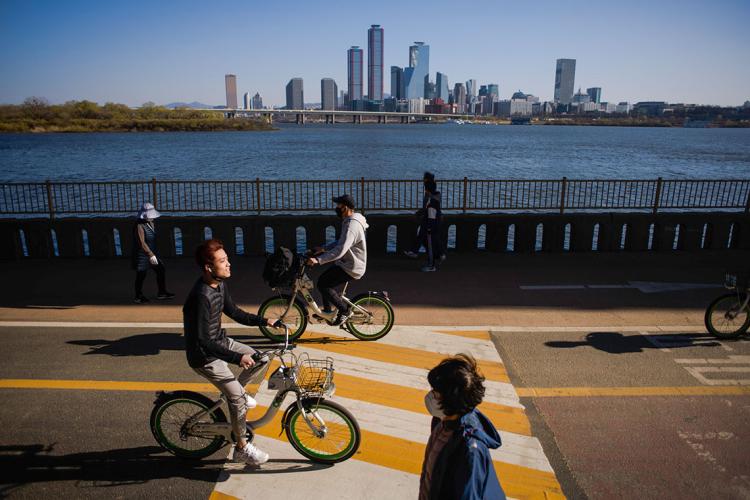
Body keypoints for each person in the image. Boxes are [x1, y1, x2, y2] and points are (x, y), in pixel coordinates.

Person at [183, 238, 283, 466]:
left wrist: (265, 320)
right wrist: (238, 358)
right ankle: (241, 448)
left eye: (227, 259)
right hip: (204, 357)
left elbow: (235, 312)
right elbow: (203, 340)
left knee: (261, 358)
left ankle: (236, 393)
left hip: (220, 342)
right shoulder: (201, 297)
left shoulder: (219, 285)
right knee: (237, 400)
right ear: (209, 267)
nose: (229, 264)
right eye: (222, 261)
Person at [419, 354, 506, 500]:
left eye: (436, 393)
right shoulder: (442, 422)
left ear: (450, 400)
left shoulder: (469, 450)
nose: (431, 395)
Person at [306, 194, 369, 326]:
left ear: (345, 207)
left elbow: (340, 250)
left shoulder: (352, 225)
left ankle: (344, 310)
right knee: (323, 280)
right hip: (347, 263)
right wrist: (323, 248)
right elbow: (340, 242)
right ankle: (327, 312)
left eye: (338, 206)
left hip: (352, 267)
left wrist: (319, 260)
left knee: (324, 285)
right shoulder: (350, 221)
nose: (336, 208)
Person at [132, 202, 174, 303]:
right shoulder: (139, 226)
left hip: (152, 254)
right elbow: (141, 243)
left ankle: (162, 292)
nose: (152, 218)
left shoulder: (151, 223)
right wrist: (150, 254)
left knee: (160, 270)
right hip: (142, 255)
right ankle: (138, 296)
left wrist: (153, 254)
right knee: (141, 275)